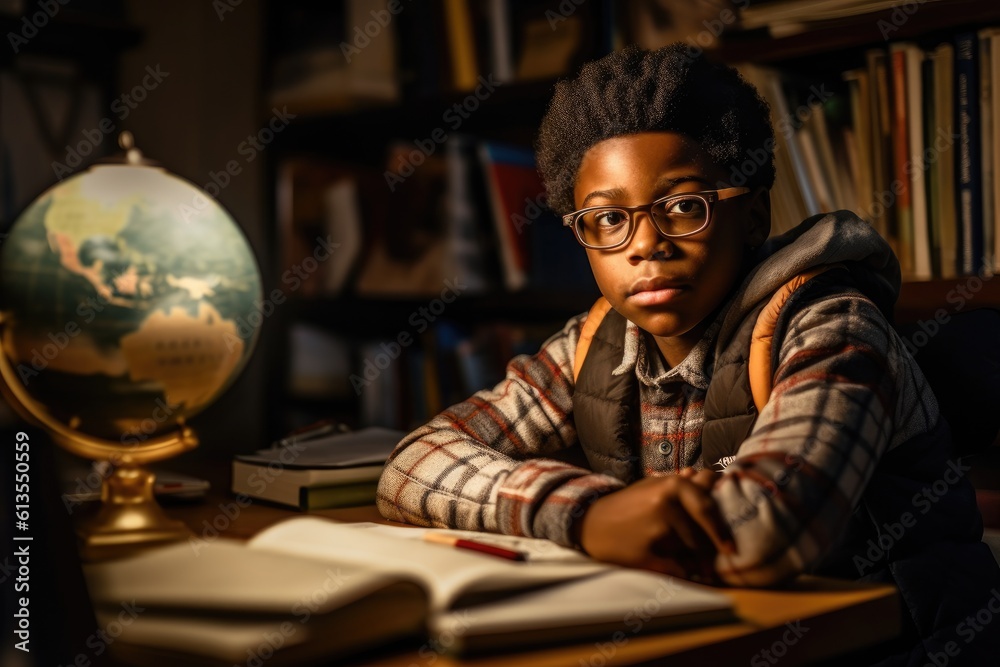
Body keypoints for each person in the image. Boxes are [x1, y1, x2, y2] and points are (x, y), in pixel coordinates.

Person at [376, 44, 999, 664]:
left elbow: (763, 532)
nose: (644, 244)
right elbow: (410, 465)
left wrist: (587, 518)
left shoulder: (832, 325)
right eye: (606, 218)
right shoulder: (594, 341)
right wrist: (588, 515)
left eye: (681, 207)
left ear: (752, 217)